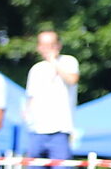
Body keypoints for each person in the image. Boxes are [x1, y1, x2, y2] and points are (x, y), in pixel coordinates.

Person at [24, 31, 79, 159]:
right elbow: (31, 97)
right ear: (39, 47)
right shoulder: (36, 69)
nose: (48, 49)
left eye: (51, 45)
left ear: (58, 45)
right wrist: (27, 115)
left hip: (60, 131)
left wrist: (53, 61)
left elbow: (72, 80)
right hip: (36, 131)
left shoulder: (68, 61)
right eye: (44, 45)